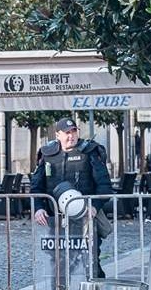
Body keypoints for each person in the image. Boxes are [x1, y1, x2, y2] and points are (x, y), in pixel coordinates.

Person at [30, 117, 114, 278]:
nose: (71, 136)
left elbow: (104, 185)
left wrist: (95, 206)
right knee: (58, 264)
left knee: (90, 261)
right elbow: (36, 187)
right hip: (57, 221)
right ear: (57, 135)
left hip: (86, 219)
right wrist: (39, 208)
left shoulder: (89, 151)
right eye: (67, 133)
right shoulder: (47, 154)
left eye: (74, 131)